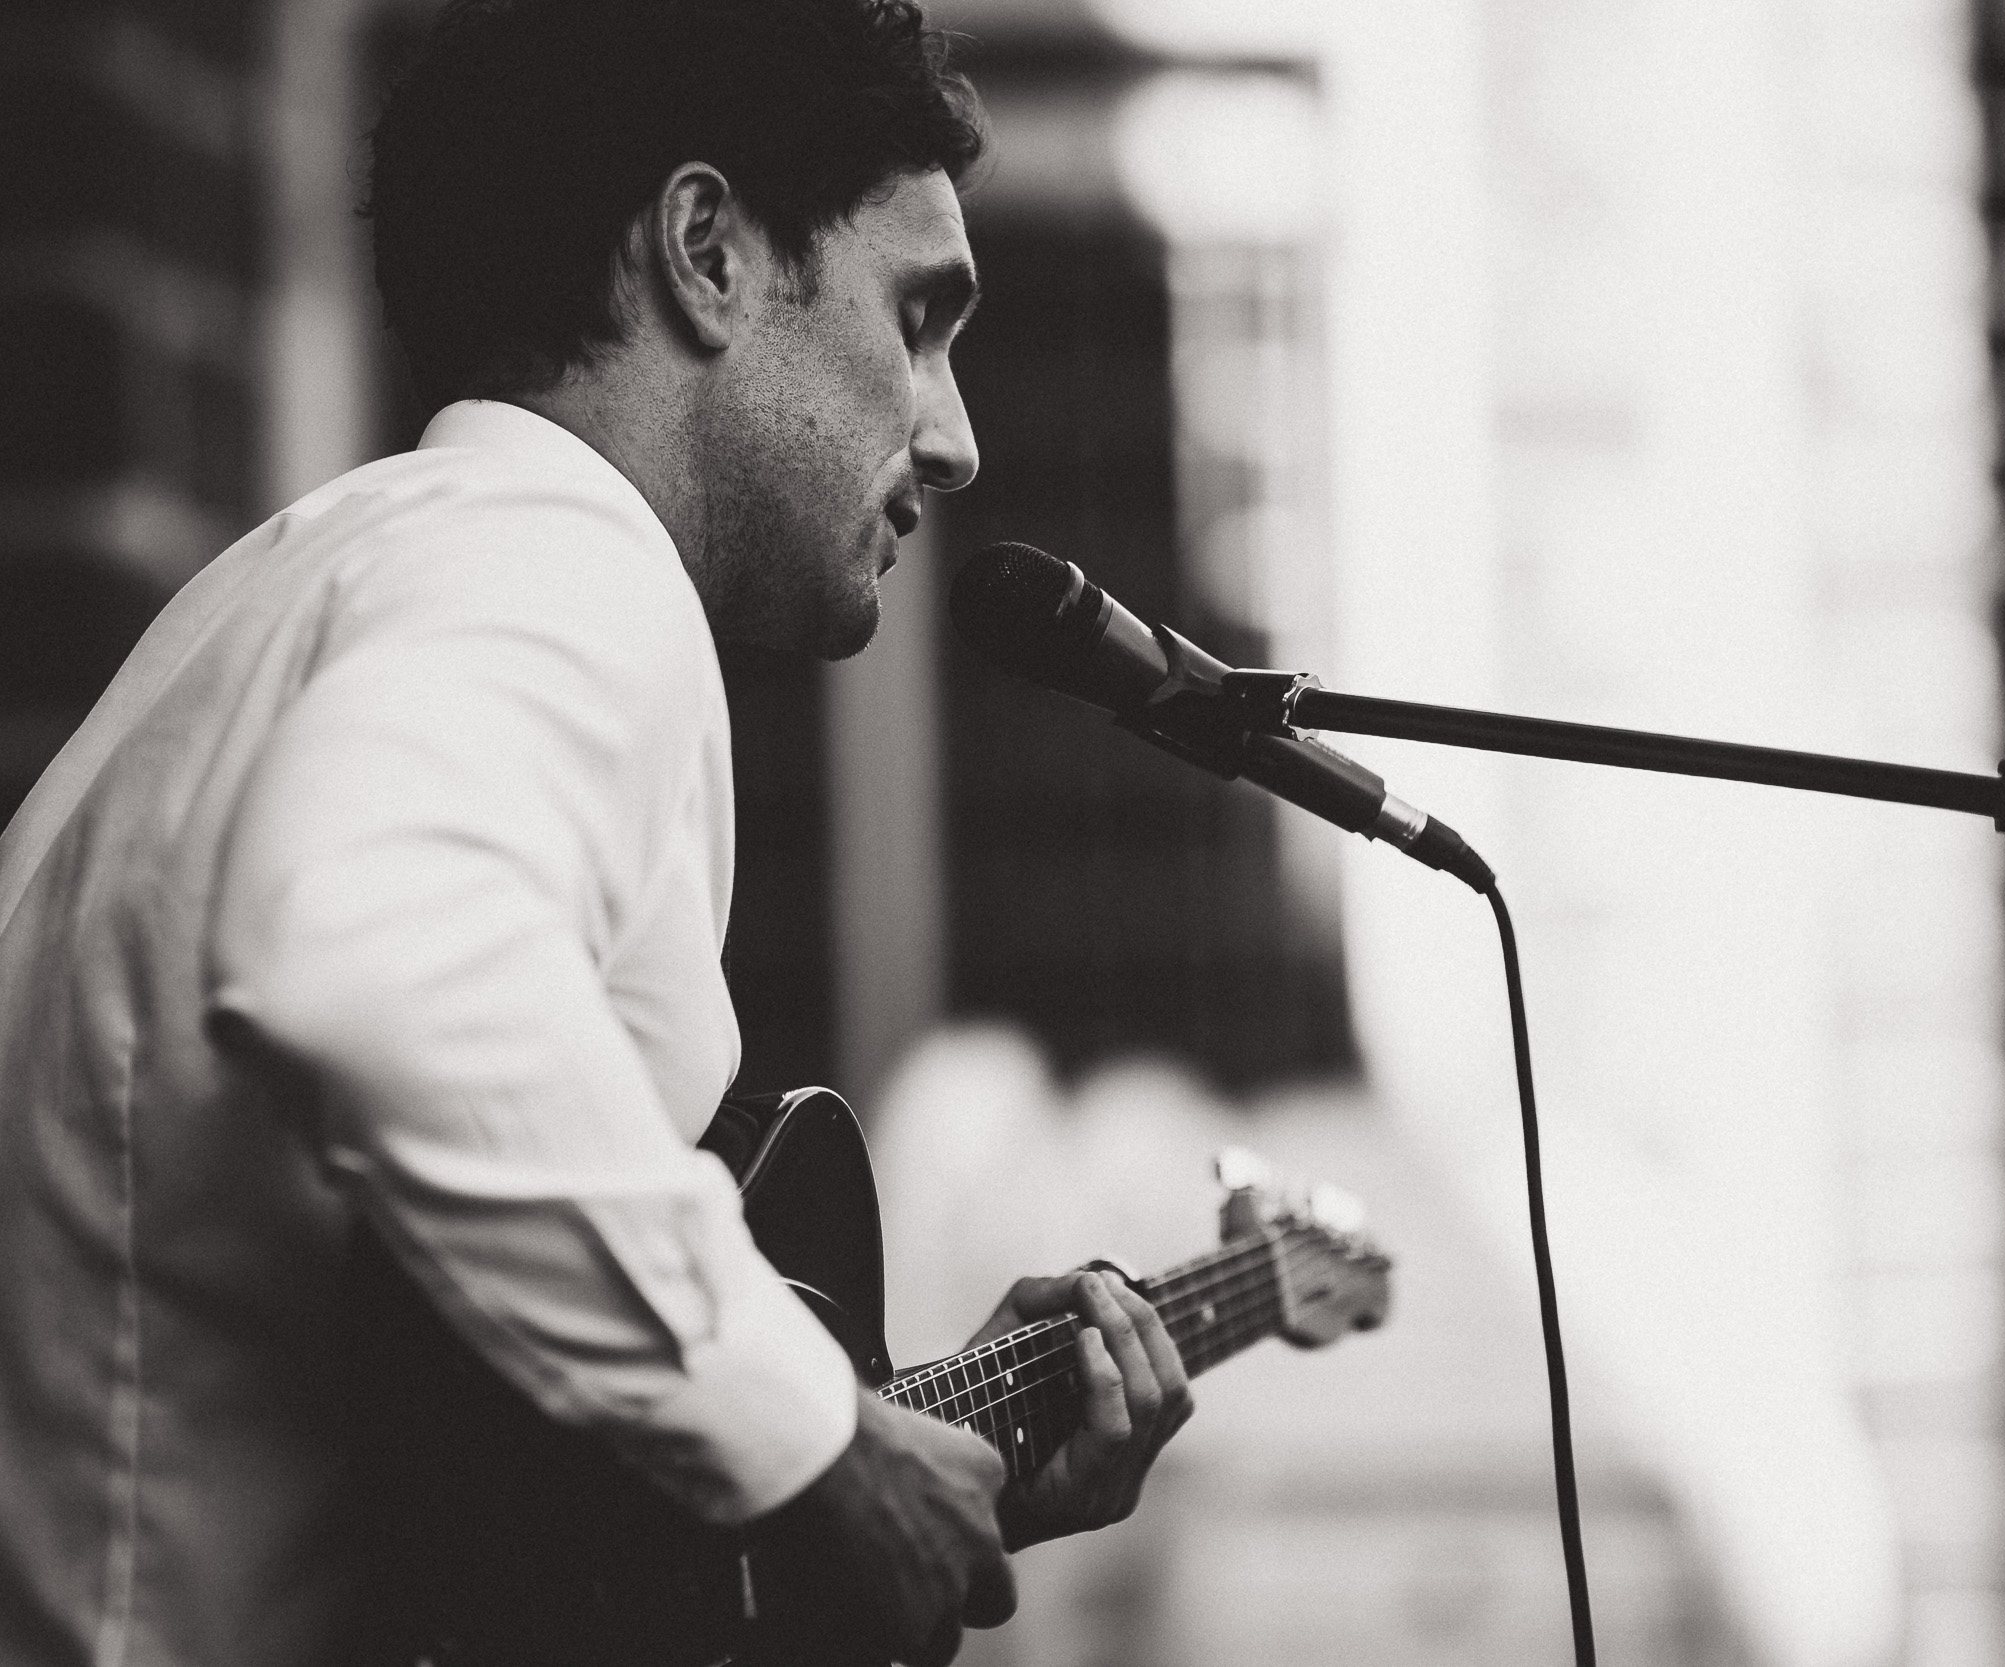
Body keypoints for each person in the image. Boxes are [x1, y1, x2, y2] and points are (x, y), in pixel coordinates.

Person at [0, 2, 1190, 1664]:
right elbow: (374, 959)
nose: (955, 435)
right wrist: (814, 1439)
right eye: (917, 318)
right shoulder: (555, 564)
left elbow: (473, 1512)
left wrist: (890, 1449)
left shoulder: (294, 594)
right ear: (705, 250)